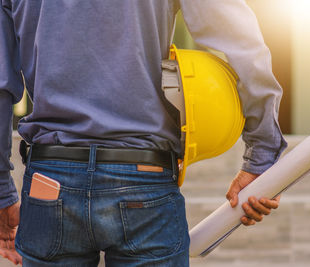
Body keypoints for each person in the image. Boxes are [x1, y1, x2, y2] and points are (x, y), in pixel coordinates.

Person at [0, 0, 287, 266]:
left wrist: (1, 190)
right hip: (144, 177)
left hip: (50, 182)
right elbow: (243, 44)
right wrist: (261, 156)